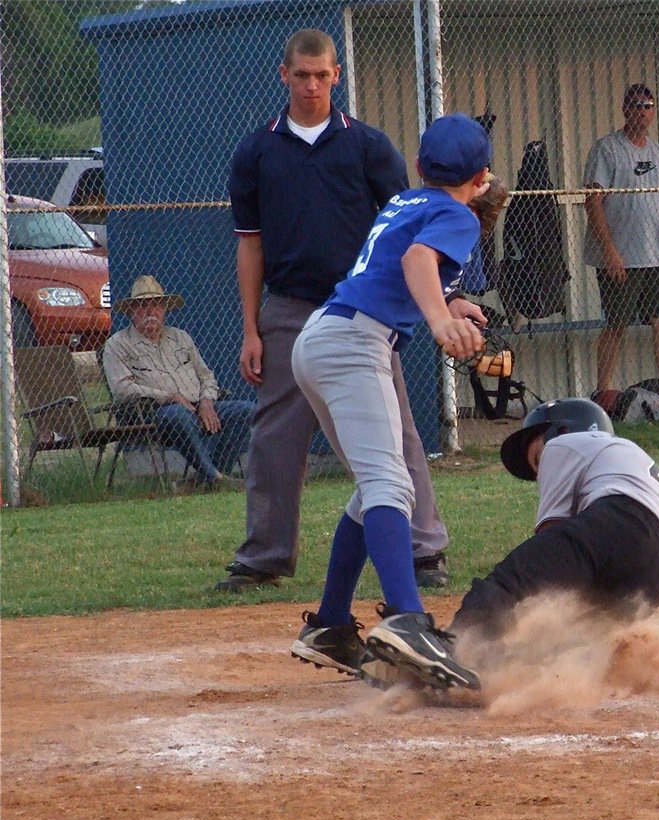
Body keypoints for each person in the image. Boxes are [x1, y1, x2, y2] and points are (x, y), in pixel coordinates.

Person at [221, 28, 452, 593]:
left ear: (336, 76)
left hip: (359, 310)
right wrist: (252, 327)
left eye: (322, 75)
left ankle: (424, 550)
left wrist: (410, 310)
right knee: (275, 434)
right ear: (284, 75)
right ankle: (264, 556)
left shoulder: (368, 147)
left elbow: (403, 232)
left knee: (396, 430)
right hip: (290, 308)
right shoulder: (257, 151)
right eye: (301, 75)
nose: (311, 86)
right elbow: (249, 244)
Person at [288, 113, 493, 690]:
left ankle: (330, 625)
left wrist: (451, 307)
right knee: (391, 485)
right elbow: (415, 263)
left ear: (423, 166)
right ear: (480, 176)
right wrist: (438, 320)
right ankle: (408, 620)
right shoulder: (458, 213)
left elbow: (394, 267)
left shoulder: (406, 200)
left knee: (374, 485)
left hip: (323, 337)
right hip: (355, 345)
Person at [444, 397, 659, 644]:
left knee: (510, 583)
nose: (542, 474)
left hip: (612, 526)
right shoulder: (641, 469)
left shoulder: (562, 444)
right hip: (651, 577)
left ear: (561, 430)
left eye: (538, 459)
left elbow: (550, 541)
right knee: (566, 645)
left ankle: (455, 648)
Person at [583, 84, 659, 416]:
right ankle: (603, 392)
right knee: (617, 322)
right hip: (621, 258)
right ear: (625, 109)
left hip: (658, 256)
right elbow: (592, 202)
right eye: (635, 105)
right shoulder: (607, 150)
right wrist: (610, 252)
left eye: (648, 106)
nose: (642, 111)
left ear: (654, 111)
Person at [103, 274, 253, 490]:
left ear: (164, 310)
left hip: (199, 406)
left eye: (156, 305)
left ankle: (206, 479)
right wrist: (169, 397)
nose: (150, 312)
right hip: (154, 412)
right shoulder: (118, 345)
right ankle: (214, 478)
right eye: (142, 306)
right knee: (178, 415)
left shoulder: (181, 338)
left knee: (246, 411)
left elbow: (206, 375)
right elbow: (122, 389)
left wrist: (207, 401)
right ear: (131, 312)